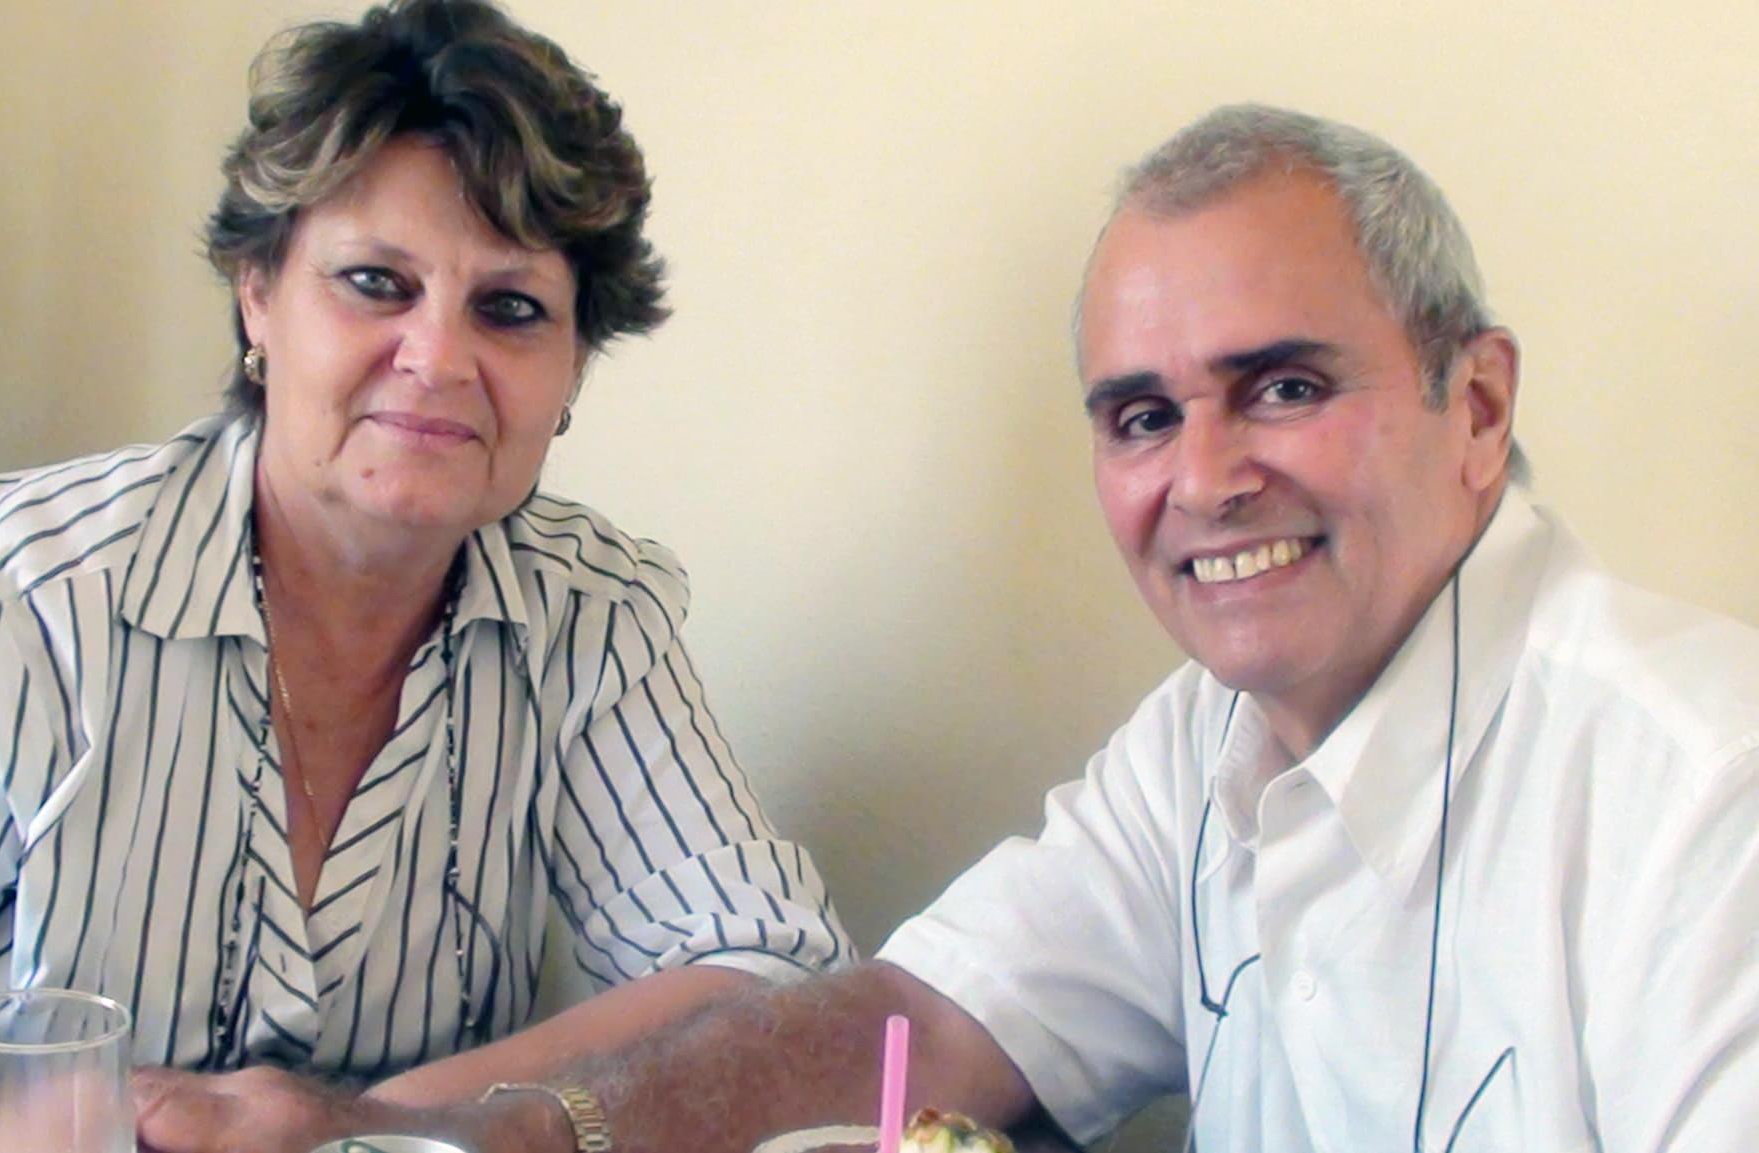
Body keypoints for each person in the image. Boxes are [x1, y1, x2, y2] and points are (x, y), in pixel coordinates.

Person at [363, 104, 1759, 1153]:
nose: (1204, 479)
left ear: (1480, 406)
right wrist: (493, 1135)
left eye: (1281, 386)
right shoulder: (1200, 749)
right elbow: (909, 1021)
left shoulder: (1705, 797)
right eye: (1143, 416)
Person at [0, 3, 848, 1151]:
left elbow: (769, 975)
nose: (438, 359)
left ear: (570, 368)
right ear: (259, 296)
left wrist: (367, 1122)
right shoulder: (9, 602)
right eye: (374, 282)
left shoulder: (588, 615)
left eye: (509, 309)